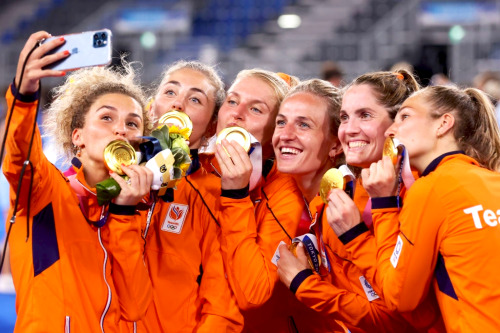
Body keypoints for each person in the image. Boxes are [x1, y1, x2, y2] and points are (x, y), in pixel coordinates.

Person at [3, 31, 153, 332]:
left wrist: (124, 213)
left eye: (132, 123)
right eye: (107, 118)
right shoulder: (44, 190)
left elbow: (135, 307)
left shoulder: (135, 209)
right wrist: (24, 92)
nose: (121, 130)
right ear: (78, 136)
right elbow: (20, 155)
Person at [273, 78, 435, 332]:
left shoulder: (412, 193)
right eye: (345, 117)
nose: (349, 128)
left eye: (365, 115)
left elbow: (400, 317)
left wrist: (305, 284)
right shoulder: (349, 193)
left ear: (396, 126)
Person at [355, 85, 500, 332]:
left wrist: (383, 204)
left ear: (443, 124)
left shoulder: (431, 188)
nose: (391, 129)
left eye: (405, 116)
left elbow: (399, 297)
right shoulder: (492, 179)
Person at [212, 69, 337, 332]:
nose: (237, 113)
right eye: (232, 101)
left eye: (256, 109)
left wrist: (235, 196)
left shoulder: (287, 187)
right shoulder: (190, 171)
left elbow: (253, 293)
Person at [124, 60, 243, 332]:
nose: (178, 104)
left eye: (195, 99)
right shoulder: (114, 175)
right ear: (152, 107)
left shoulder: (217, 195)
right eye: (170, 92)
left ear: (212, 127)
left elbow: (222, 305)